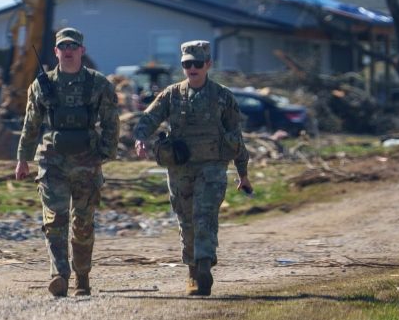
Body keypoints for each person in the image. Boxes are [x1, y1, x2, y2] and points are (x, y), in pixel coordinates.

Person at [132, 40, 253, 296]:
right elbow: (149, 118)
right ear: (183, 65)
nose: (193, 68)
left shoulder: (223, 97)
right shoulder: (172, 95)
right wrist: (141, 138)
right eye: (188, 64)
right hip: (180, 168)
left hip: (212, 167)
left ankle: (204, 266)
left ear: (208, 65)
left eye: (198, 64)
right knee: (186, 219)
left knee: (205, 216)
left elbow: (236, 138)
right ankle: (193, 270)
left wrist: (243, 174)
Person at [15, 27, 120, 297]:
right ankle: (59, 275)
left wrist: (105, 153)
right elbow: (31, 124)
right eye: (64, 46)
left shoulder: (98, 84)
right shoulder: (42, 85)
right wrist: (23, 159)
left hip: (87, 162)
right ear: (56, 51)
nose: (69, 50)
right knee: (55, 220)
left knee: (83, 222)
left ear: (82, 51)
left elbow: (111, 122)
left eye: (74, 46)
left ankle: (82, 276)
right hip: (52, 162)